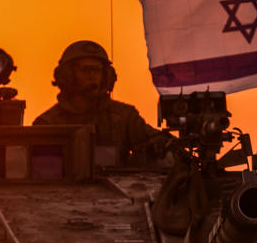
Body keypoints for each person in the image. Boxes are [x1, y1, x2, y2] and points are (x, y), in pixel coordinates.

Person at [33, 40, 161, 167]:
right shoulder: (48, 124)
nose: (92, 75)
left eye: (97, 70)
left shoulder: (124, 117)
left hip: (115, 186)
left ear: (106, 75)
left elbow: (156, 142)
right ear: (68, 75)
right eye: (85, 70)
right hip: (64, 187)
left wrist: (159, 147)